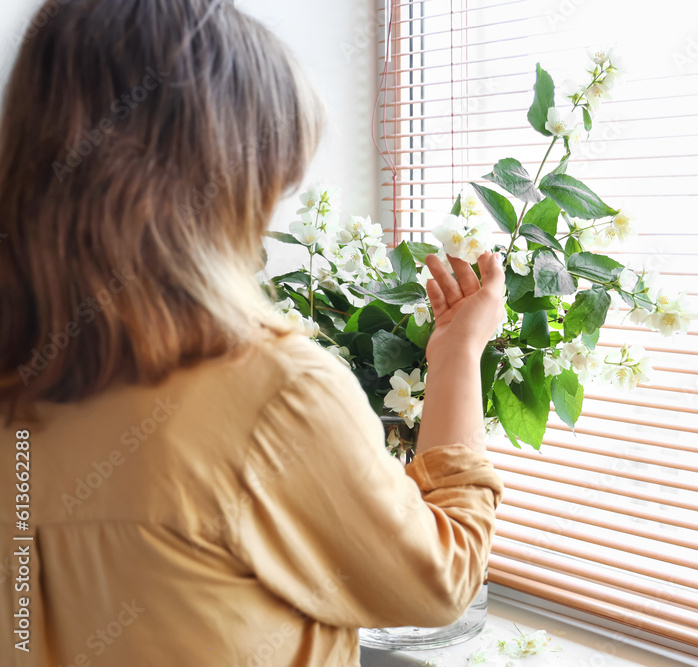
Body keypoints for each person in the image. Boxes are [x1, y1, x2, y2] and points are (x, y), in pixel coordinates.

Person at [0, 1, 505, 665]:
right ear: (221, 182)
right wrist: (459, 352)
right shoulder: (274, 395)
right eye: (271, 181)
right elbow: (441, 577)